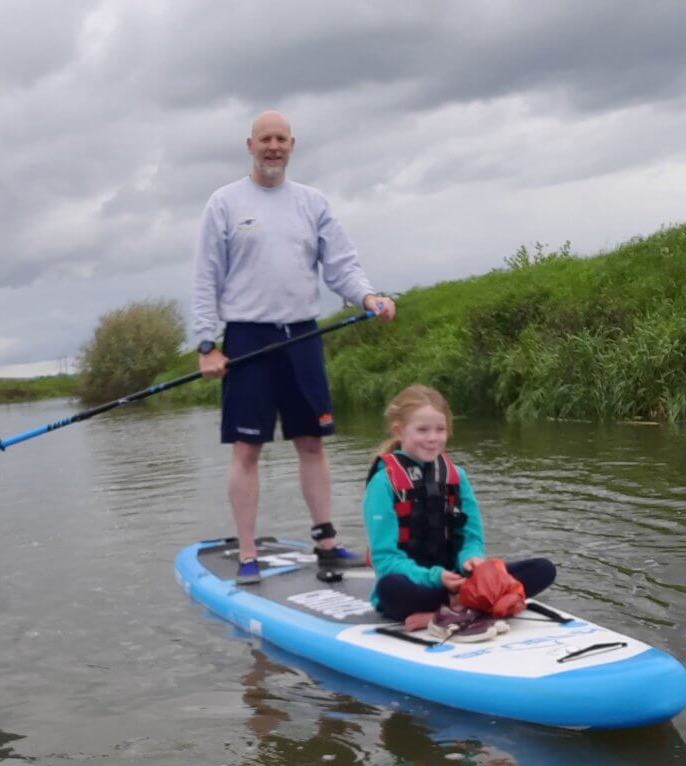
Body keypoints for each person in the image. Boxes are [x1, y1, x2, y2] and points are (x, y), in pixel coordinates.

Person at [192, 109, 396, 586]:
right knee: (247, 448)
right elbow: (206, 277)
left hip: (301, 335)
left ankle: (326, 543)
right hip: (247, 338)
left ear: (292, 145)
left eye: (281, 139)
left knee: (312, 443)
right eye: (265, 139)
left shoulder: (311, 202)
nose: (273, 147)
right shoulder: (223, 203)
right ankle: (246, 551)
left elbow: (342, 264)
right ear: (249, 145)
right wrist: (207, 344)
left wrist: (368, 296)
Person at [363, 384, 556, 637]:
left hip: (459, 581)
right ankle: (469, 605)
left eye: (440, 429)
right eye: (422, 430)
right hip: (417, 585)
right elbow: (385, 561)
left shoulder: (457, 477)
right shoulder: (382, 483)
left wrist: (471, 558)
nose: (433, 438)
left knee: (543, 569)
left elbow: (472, 537)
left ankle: (451, 609)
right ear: (399, 431)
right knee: (390, 588)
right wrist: (435, 577)